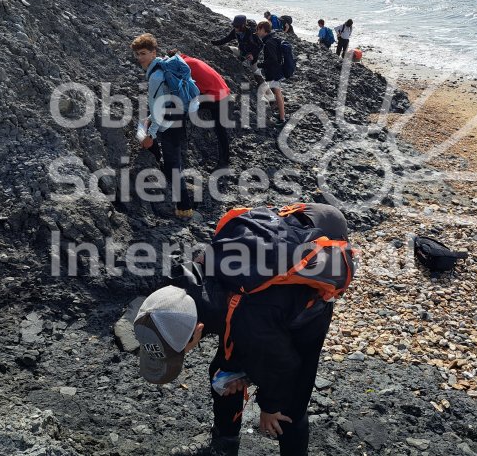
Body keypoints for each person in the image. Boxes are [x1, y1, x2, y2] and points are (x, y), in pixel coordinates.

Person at [134, 204, 354, 456]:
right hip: (261, 292)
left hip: (308, 304)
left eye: (180, 351)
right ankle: (224, 445)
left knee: (290, 404)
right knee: (222, 373)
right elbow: (233, 321)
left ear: (199, 330)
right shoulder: (178, 286)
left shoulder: (252, 322)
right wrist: (233, 367)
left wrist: (269, 407)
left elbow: (284, 364)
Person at [131, 33, 195, 219]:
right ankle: (179, 194)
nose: (139, 58)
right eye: (137, 54)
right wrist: (150, 118)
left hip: (169, 124)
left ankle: (184, 209)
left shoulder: (155, 77)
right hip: (178, 118)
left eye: (143, 53)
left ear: (153, 52)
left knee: (173, 165)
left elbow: (158, 109)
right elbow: (162, 104)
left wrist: (149, 134)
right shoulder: (162, 68)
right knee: (174, 162)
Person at [174, 50, 231, 170]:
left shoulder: (183, 65)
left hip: (215, 96)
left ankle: (181, 139)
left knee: (182, 107)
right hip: (224, 92)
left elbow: (184, 88)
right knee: (221, 130)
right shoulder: (193, 60)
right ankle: (224, 161)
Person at [256, 19, 286, 125]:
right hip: (277, 70)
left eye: (258, 30)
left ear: (264, 30)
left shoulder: (269, 42)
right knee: (278, 92)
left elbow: (272, 59)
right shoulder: (272, 39)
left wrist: (260, 64)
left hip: (274, 71)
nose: (257, 32)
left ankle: (282, 118)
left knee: (277, 92)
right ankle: (281, 113)